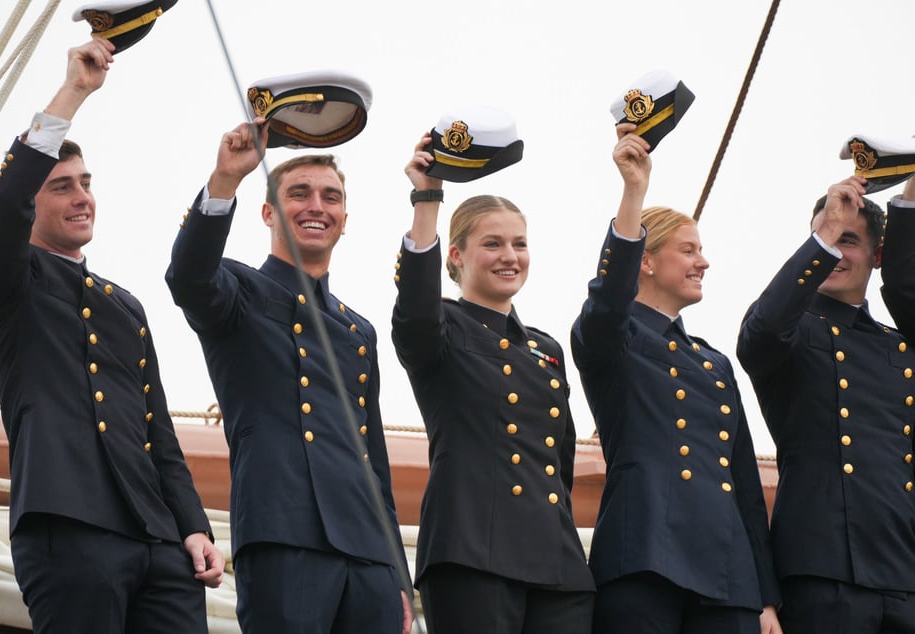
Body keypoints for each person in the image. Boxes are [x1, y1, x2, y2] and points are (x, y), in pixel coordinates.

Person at [0, 39, 223, 633]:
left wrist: (192, 525)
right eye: (61, 186)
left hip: (160, 542)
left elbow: (158, 433)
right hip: (69, 528)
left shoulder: (123, 307)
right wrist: (75, 92)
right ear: (32, 206)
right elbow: (1, 207)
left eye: (85, 183)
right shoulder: (8, 288)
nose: (82, 197)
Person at [165, 118, 413, 634]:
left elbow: (375, 461)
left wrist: (399, 576)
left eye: (331, 197)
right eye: (298, 194)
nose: (316, 206)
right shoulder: (239, 290)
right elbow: (188, 276)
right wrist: (225, 179)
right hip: (285, 534)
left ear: (345, 217)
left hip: (368, 552)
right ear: (268, 212)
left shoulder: (358, 329)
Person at [570, 123, 782, 634]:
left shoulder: (715, 364)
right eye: (687, 250)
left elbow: (745, 490)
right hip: (644, 557)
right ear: (644, 261)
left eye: (700, 249)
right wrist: (633, 192)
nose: (703, 261)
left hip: (728, 574)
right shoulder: (612, 338)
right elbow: (607, 302)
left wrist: (766, 599)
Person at [391, 132, 596, 633]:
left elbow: (559, 462)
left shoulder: (546, 349)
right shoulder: (439, 326)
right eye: (493, 243)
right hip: (473, 553)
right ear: (456, 256)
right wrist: (427, 201)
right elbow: (415, 307)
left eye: (519, 244)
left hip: (557, 562)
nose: (510, 256)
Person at [736, 173, 915, 633]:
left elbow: (907, 292)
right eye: (826, 237)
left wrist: (909, 200)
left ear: (878, 257)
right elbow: (763, 330)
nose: (835, 251)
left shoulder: (901, 347)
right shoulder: (794, 331)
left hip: (903, 568)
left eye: (849, 240)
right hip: (823, 570)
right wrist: (826, 236)